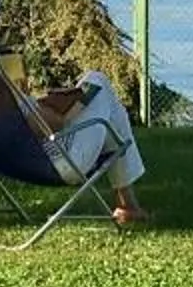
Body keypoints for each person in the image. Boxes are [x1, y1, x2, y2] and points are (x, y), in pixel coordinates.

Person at [31, 67, 148, 224]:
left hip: (39, 155)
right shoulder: (7, 101)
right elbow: (50, 124)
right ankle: (128, 204)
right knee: (98, 82)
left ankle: (128, 205)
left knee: (102, 94)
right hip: (62, 159)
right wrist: (56, 109)